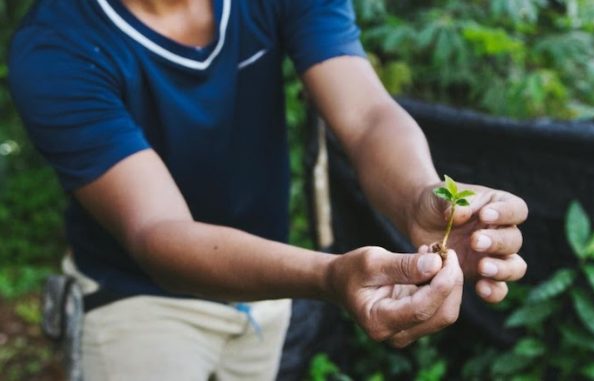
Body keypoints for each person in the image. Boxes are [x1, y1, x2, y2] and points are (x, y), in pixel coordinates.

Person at [8, 0, 528, 380]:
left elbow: (367, 115)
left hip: (266, 287)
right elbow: (158, 231)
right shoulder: (57, 47)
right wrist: (329, 276)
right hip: (138, 304)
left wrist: (421, 197)